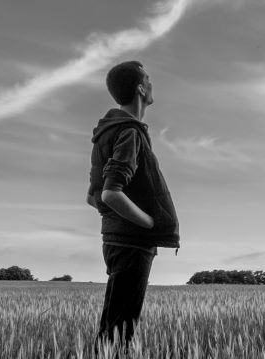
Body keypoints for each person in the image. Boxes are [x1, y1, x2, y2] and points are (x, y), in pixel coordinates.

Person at [86, 60, 181, 347]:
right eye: (149, 79)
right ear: (140, 88)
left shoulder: (108, 131)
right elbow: (109, 194)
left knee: (113, 327)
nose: (153, 84)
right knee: (120, 332)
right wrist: (149, 223)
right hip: (132, 242)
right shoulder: (129, 132)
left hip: (116, 240)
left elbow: (92, 196)